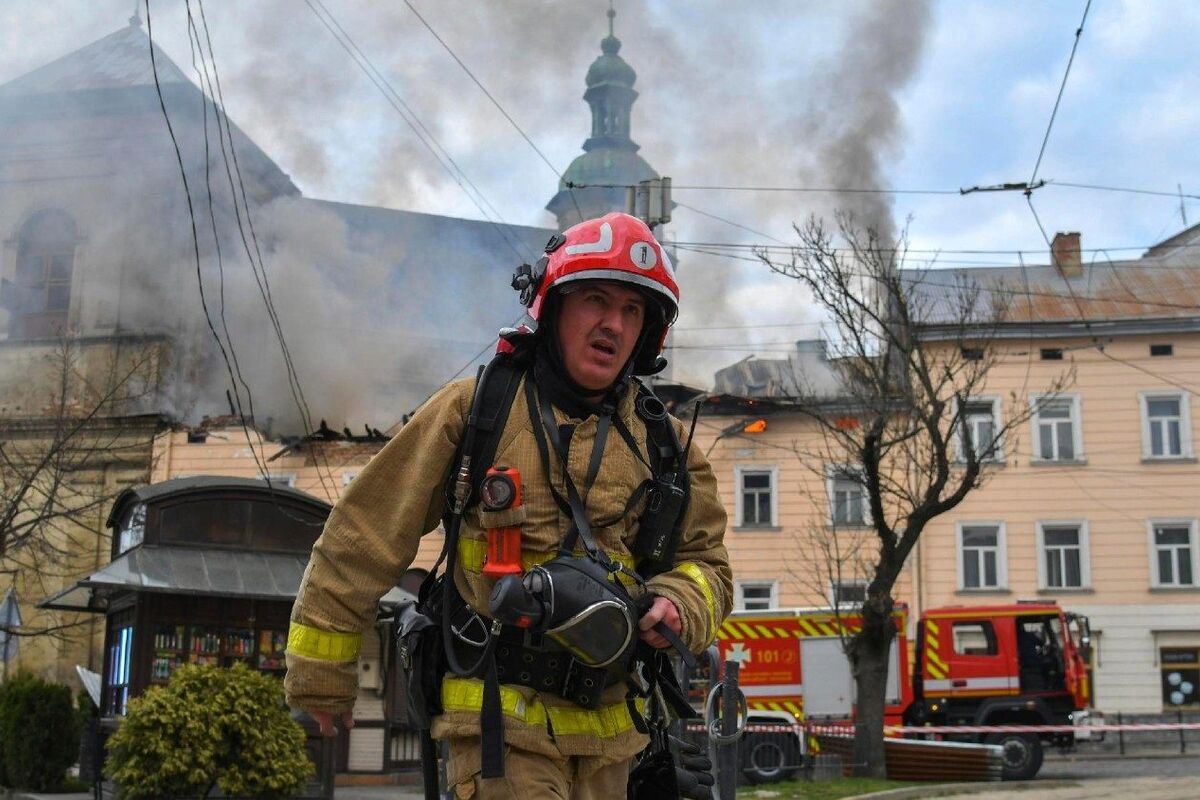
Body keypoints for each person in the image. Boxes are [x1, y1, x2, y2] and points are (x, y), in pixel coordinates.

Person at [284, 212, 731, 799]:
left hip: (617, 738)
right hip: (501, 728)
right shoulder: (476, 411)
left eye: (632, 310)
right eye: (596, 299)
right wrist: (321, 673)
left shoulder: (664, 445)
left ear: (649, 333)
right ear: (554, 305)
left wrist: (678, 602)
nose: (614, 324)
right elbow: (361, 535)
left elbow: (710, 566)